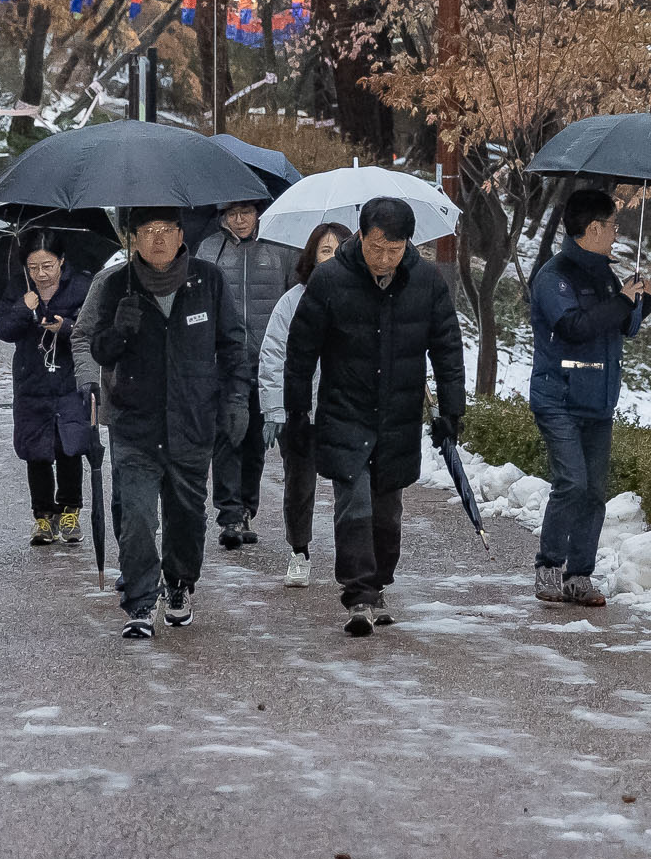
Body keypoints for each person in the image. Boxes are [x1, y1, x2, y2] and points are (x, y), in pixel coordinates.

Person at [281, 196, 465, 637]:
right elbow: (301, 352)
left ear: (408, 245)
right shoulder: (329, 280)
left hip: (398, 414)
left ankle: (380, 582)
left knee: (387, 511)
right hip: (345, 410)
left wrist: (452, 412)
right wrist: (297, 411)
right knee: (355, 502)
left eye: (395, 250)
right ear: (361, 235)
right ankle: (358, 593)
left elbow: (447, 348)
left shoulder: (427, 282)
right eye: (377, 247)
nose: (384, 259)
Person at [79, 207, 249, 639]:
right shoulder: (117, 284)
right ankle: (139, 599)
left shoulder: (208, 281)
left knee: (187, 516)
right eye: (148, 232)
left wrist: (235, 401)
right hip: (136, 424)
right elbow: (98, 349)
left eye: (167, 231)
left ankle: (179, 584)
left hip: (192, 420)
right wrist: (118, 330)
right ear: (132, 238)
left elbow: (232, 345)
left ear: (181, 235)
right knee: (135, 515)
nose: (158, 240)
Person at [527, 187, 651, 607]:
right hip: (559, 397)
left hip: (599, 401)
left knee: (594, 492)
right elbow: (574, 327)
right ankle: (548, 566)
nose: (618, 234)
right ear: (594, 228)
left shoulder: (604, 273)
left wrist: (644, 301)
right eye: (613, 226)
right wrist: (622, 298)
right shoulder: (554, 276)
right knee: (572, 481)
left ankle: (578, 576)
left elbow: (623, 327)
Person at [194, 199, 297, 548]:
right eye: (232, 214)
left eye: (246, 213)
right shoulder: (210, 249)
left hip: (267, 359)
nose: (239, 220)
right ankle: (230, 514)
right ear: (222, 216)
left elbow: (294, 296)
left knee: (255, 439)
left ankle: (247, 507)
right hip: (223, 359)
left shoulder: (281, 247)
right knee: (227, 435)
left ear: (258, 213)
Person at [256, 222, 349, 587]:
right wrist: (275, 409)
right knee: (300, 484)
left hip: (346, 410)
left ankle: (353, 555)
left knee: (351, 485)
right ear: (312, 256)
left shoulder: (363, 297)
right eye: (325, 250)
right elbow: (273, 355)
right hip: (301, 411)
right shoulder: (291, 301)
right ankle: (299, 551)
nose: (332, 257)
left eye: (341, 250)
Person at [0, 233, 93, 546]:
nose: (41, 273)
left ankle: (70, 510)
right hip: (32, 382)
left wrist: (65, 327)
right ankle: (43, 516)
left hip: (69, 381)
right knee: (36, 450)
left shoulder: (81, 287)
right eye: (34, 266)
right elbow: (3, 330)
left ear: (61, 261)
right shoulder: (18, 287)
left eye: (47, 265)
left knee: (69, 446)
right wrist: (23, 308)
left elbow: (92, 329)